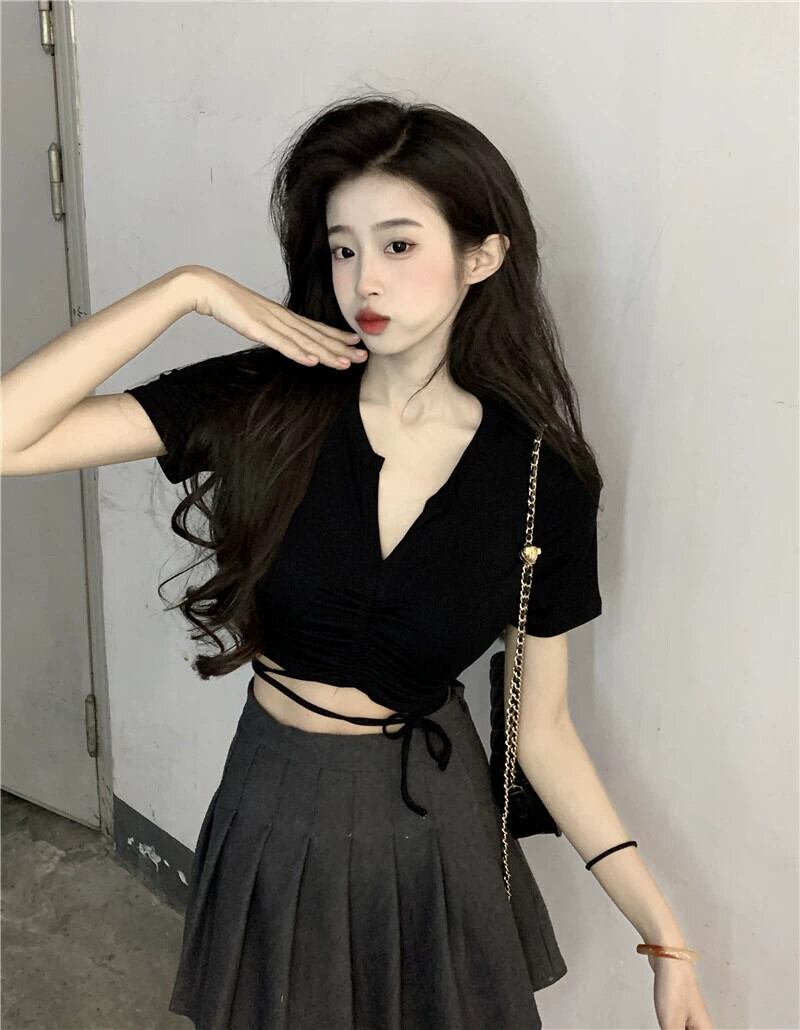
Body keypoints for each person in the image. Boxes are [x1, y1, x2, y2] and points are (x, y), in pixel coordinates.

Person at [1, 93, 713, 1030]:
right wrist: (188, 290)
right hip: (274, 802)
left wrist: (664, 937)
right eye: (343, 249)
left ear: (483, 256)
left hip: (433, 828)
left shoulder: (543, 480)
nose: (364, 280)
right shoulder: (269, 400)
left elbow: (541, 734)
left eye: (399, 244)